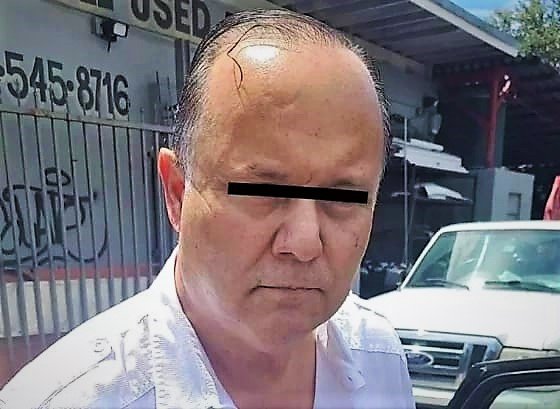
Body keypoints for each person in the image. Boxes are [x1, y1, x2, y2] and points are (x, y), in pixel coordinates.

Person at [0, 9, 415, 409]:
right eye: (261, 191)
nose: (305, 243)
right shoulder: (67, 399)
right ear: (177, 193)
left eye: (344, 196)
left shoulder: (378, 355)